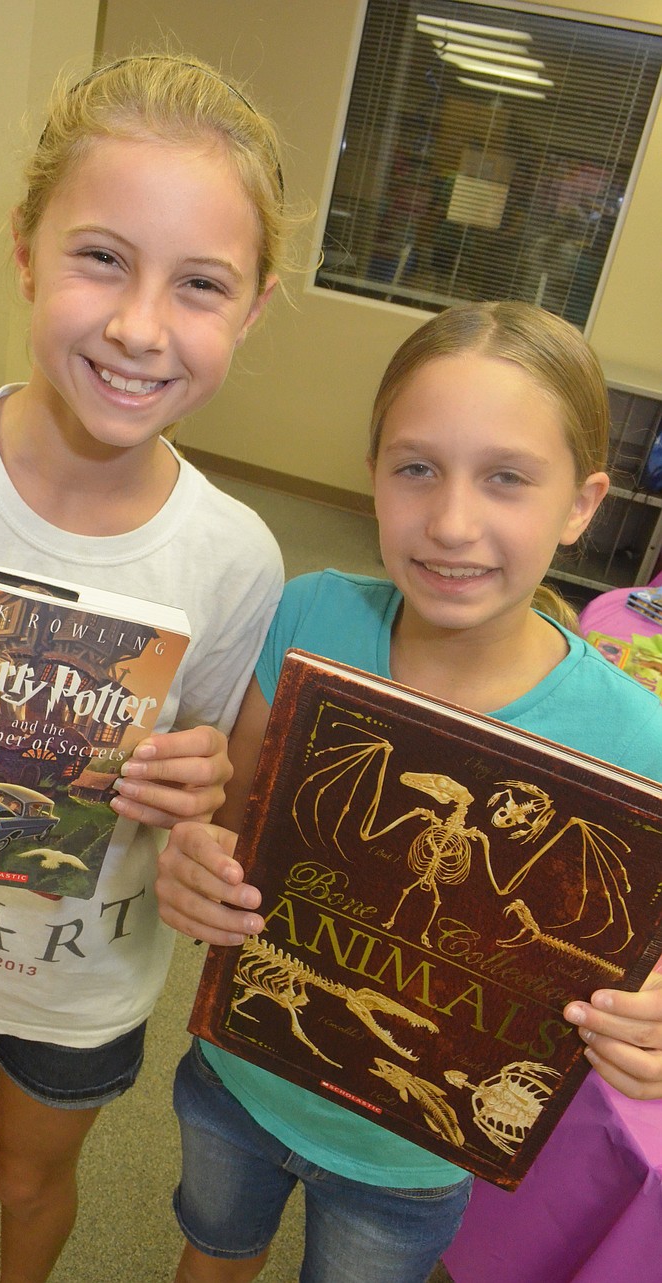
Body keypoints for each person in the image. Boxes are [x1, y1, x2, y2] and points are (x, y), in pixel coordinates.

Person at [0, 53, 292, 1283]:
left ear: (253, 309)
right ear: (25, 250)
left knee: (35, 1181)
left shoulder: (237, 555)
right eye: (101, 258)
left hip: (87, 973)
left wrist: (200, 794)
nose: (140, 326)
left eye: (200, 283)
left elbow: (223, 783)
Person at [156, 301, 662, 1283]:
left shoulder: (634, 741)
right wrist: (193, 856)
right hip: (242, 1071)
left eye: (507, 477)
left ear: (580, 503)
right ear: (373, 472)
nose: (451, 521)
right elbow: (234, 811)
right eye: (416, 467)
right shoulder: (308, 614)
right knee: (212, 1249)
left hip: (410, 1152)